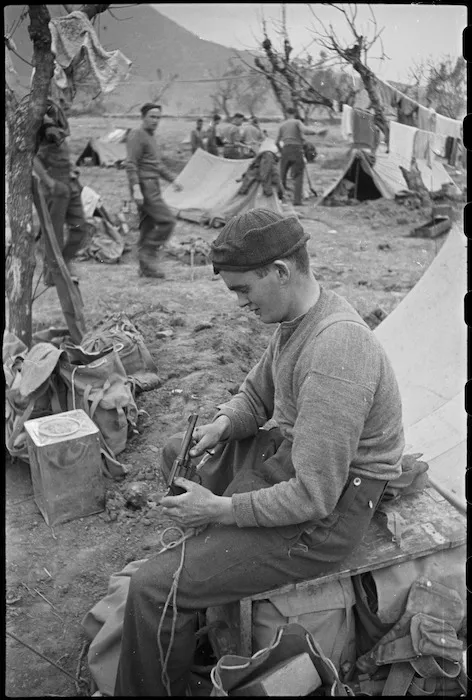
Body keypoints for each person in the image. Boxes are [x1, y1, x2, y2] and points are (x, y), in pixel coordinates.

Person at [114, 208, 405, 696]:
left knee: (152, 590)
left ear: (281, 271)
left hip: (329, 515)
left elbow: (314, 497)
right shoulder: (297, 318)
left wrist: (221, 509)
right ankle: (210, 563)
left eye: (242, 290)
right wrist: (222, 424)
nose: (239, 303)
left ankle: (182, 601)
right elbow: (256, 397)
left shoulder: (338, 349)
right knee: (177, 454)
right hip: (297, 458)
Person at [33, 98, 87, 286]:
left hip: (70, 182)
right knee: (54, 234)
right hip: (53, 185)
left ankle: (62, 265)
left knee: (81, 228)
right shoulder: (38, 113)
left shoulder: (56, 112)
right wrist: (48, 182)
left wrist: (72, 167)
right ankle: (52, 275)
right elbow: (31, 156)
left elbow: (62, 147)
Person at [125, 103, 183, 279]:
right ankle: (146, 254)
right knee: (167, 221)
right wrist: (136, 189)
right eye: (152, 116)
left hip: (152, 183)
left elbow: (156, 165)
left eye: (158, 117)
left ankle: (146, 269)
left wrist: (173, 180)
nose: (156, 120)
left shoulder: (151, 137)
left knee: (148, 226)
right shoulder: (137, 135)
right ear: (143, 117)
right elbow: (130, 164)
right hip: (144, 185)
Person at [275, 107, 317, 206]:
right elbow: (305, 130)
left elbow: (276, 142)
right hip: (296, 150)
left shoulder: (282, 125)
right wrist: (316, 132)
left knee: (282, 176)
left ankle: (279, 199)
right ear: (294, 113)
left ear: (286, 114)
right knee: (298, 175)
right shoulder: (297, 122)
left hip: (285, 150)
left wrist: (282, 152)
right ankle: (297, 201)